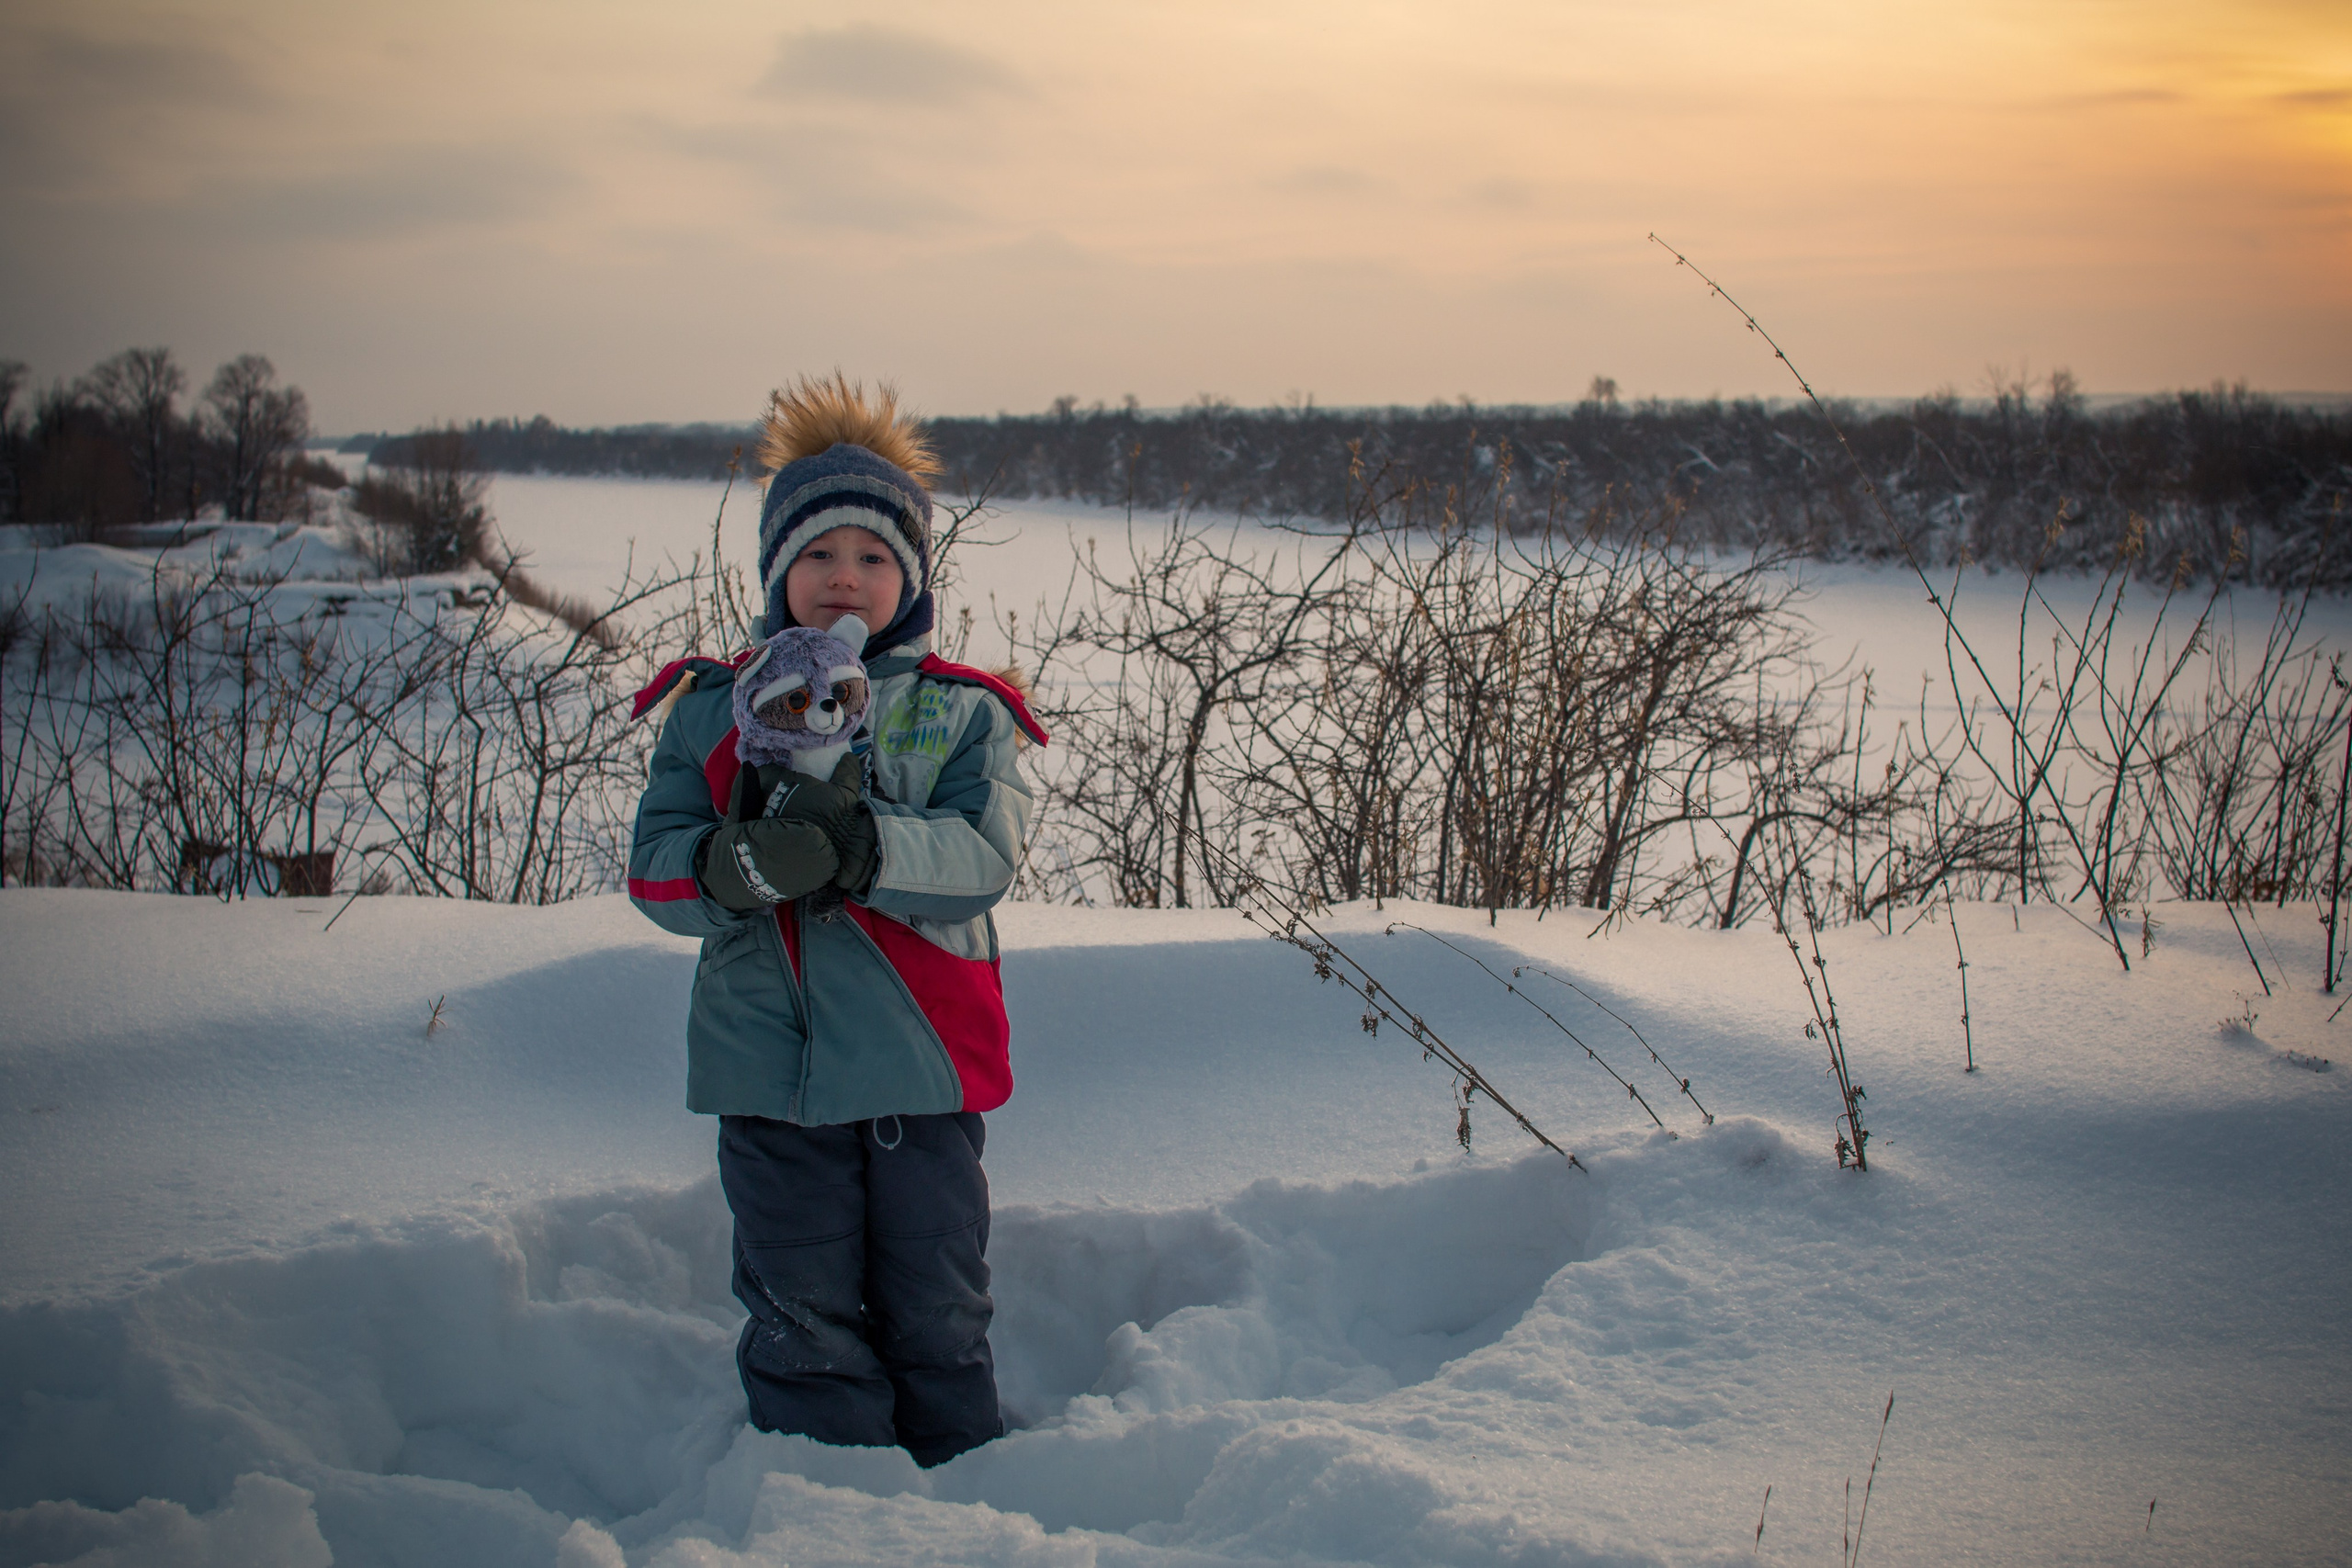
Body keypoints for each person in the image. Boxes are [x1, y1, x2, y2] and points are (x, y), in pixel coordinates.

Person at [626, 373, 1046, 1467]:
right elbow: (657, 873)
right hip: (772, 1078)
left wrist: (864, 849)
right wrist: (734, 868)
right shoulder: (715, 709)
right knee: (801, 1313)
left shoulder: (962, 711)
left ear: (908, 575)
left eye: (870, 556)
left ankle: (962, 1483)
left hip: (922, 1066)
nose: (843, 578)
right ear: (777, 571)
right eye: (817, 555)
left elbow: (983, 859)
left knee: (938, 1305)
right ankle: (829, 1506)